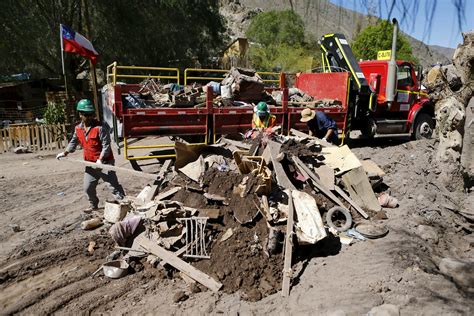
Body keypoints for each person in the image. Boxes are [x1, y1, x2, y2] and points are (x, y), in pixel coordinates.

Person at [56, 99, 125, 212]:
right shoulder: (78, 128)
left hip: (105, 163)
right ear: (80, 114)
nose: (89, 117)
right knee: (88, 188)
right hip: (90, 164)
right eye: (86, 115)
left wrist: (100, 159)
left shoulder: (100, 127)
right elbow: (74, 141)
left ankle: (124, 204)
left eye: (91, 114)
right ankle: (94, 206)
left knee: (113, 186)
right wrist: (65, 153)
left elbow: (106, 145)